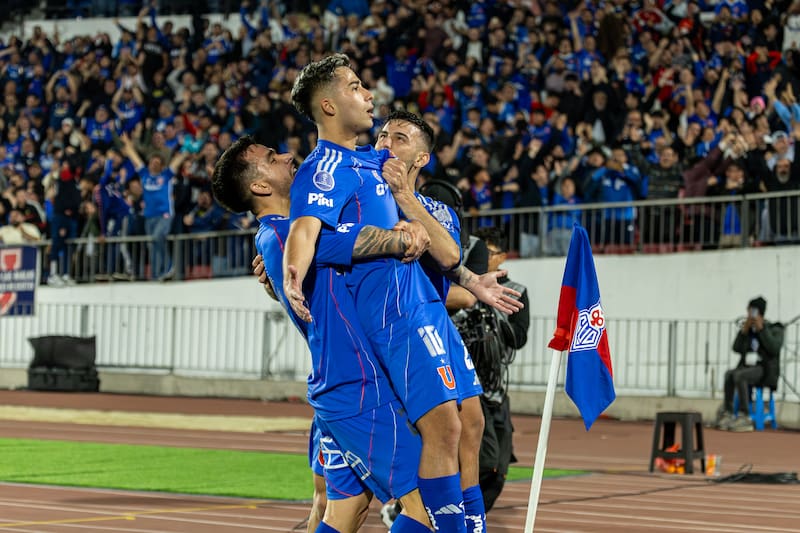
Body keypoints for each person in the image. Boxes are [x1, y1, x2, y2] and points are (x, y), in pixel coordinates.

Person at [212, 136, 434, 532]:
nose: (286, 156)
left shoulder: (278, 238)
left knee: (346, 510)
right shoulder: (285, 236)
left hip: (336, 389)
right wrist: (406, 234)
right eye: (271, 158)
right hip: (358, 386)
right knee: (425, 503)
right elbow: (359, 240)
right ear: (260, 186)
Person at [283, 53, 464, 533]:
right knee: (433, 475)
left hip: (373, 351)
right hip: (373, 351)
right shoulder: (321, 167)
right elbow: (305, 230)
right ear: (327, 105)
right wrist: (290, 272)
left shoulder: (371, 161)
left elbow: (442, 245)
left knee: (348, 507)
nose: (369, 96)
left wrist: (469, 277)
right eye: (356, 86)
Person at [472, 226, 529, 510]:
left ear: (502, 257)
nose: (482, 256)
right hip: (469, 387)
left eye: (489, 252)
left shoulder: (516, 292)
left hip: (497, 388)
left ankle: (470, 520)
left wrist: (494, 313)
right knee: (484, 460)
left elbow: (519, 337)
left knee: (499, 469)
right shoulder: (462, 287)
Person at [120, 133, 188, 281]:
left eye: (158, 163)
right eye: (152, 162)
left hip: (165, 214)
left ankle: (169, 266)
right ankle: (157, 274)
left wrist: (187, 148)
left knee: (158, 236)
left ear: (161, 165)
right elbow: (134, 157)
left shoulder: (167, 175)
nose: (154, 164)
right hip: (149, 216)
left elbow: (178, 160)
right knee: (153, 244)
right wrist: (127, 143)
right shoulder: (144, 174)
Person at [716, 296, 784, 432]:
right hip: (746, 366)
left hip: (764, 369)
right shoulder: (747, 330)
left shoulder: (774, 328)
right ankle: (727, 413)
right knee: (730, 374)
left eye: (753, 311)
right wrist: (744, 331)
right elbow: (736, 348)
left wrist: (761, 329)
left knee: (740, 376)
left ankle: (744, 415)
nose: (750, 314)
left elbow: (774, 348)